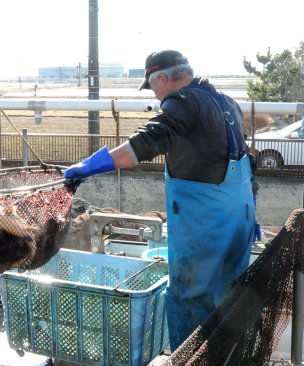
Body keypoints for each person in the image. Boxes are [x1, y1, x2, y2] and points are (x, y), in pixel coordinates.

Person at [64, 50, 257, 350]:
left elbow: (147, 141)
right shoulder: (226, 102)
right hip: (240, 218)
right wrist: (252, 215)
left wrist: (89, 167)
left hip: (205, 223)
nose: (154, 94)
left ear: (163, 78)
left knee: (187, 297)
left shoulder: (184, 102)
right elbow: (246, 161)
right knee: (229, 296)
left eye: (152, 85)